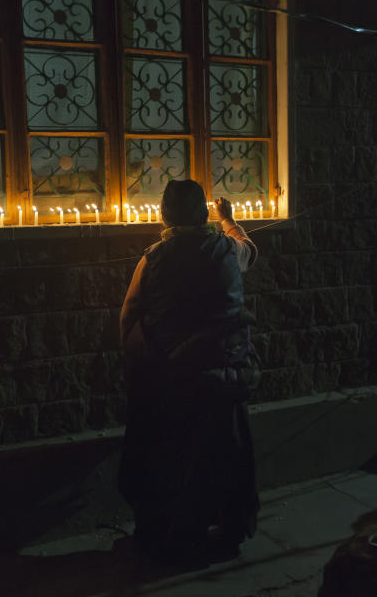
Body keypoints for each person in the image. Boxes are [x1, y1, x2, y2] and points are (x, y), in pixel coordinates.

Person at [118, 180, 261, 565]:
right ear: (203, 214)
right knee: (224, 456)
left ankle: (171, 536)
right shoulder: (227, 250)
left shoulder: (154, 258)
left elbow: (130, 314)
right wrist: (229, 221)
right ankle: (229, 529)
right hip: (222, 376)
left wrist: (137, 366)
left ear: (164, 215)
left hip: (171, 378)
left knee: (170, 460)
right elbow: (250, 251)